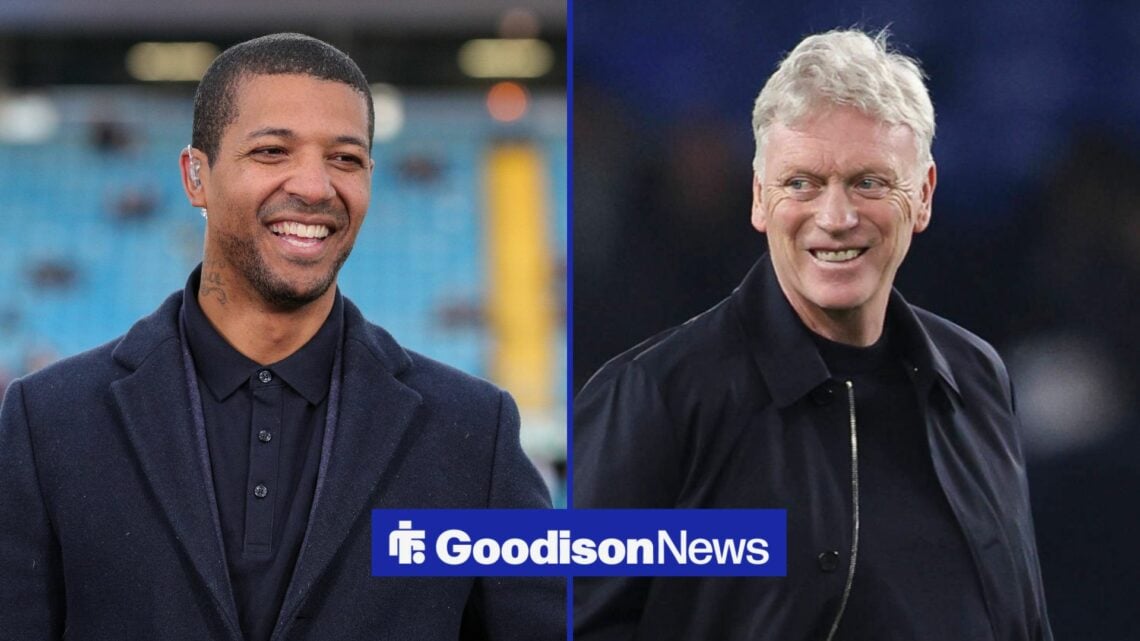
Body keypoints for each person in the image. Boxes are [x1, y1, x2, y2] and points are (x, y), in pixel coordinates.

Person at [0, 33, 563, 641]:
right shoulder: (49, 422)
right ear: (196, 177)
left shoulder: (473, 432)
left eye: (346, 159)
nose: (316, 186)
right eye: (272, 151)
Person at [573, 29, 1052, 640]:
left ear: (924, 195)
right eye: (801, 183)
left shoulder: (976, 378)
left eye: (869, 183)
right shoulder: (656, 398)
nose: (835, 217)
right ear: (759, 198)